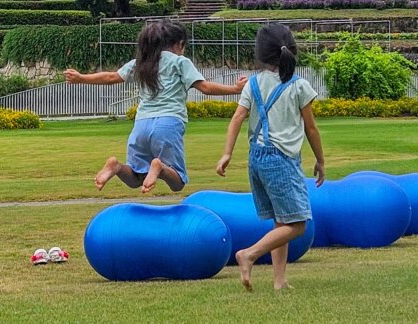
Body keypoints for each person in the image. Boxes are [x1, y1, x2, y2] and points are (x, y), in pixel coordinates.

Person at [66, 20, 246, 195]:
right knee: (178, 182)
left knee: (136, 177)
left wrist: (81, 78)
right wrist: (235, 89)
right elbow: (205, 87)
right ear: (178, 44)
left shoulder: (141, 62)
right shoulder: (180, 62)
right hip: (168, 122)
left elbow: (111, 77)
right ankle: (159, 167)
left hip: (141, 125)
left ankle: (116, 166)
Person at [216, 22, 326, 292]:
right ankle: (249, 254)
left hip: (257, 158)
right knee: (298, 224)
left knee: (282, 219)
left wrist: (227, 153)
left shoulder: (252, 83)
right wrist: (320, 161)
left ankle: (279, 280)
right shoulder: (299, 85)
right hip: (282, 159)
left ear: (262, 54)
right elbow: (311, 128)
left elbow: (238, 118)